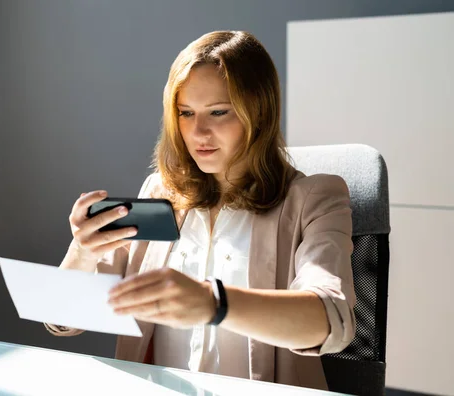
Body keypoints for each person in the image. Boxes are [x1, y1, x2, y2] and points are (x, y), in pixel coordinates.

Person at [45, 30, 355, 391]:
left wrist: (214, 302)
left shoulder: (314, 197)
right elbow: (61, 319)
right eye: (186, 113)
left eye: (218, 112)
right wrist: (82, 253)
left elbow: (332, 321)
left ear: (260, 111)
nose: (198, 132)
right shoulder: (161, 193)